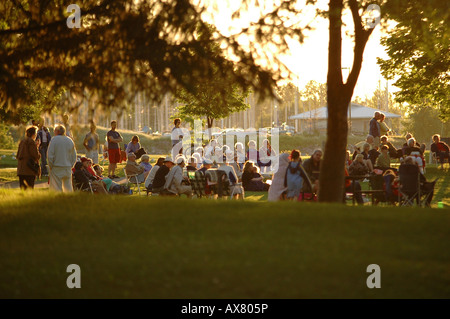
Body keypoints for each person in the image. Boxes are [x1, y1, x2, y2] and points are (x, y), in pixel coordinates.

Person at [47, 124, 77, 192]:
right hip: (67, 167)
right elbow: (74, 155)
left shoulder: (54, 140)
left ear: (57, 131)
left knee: (56, 188)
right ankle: (69, 200)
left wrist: (51, 165)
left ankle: (58, 201)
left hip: (57, 167)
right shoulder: (70, 140)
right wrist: (71, 165)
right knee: (68, 188)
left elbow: (50, 155)